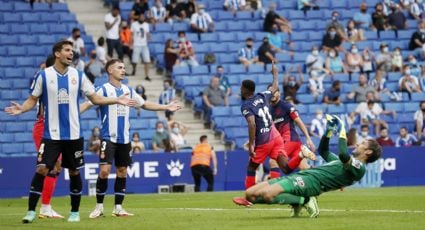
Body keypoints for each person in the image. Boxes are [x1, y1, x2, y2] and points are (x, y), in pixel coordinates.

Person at [5, 40, 136, 223]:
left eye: (72, 50)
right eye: (67, 50)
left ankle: (74, 212)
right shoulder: (43, 76)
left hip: (74, 135)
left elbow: (95, 98)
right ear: (57, 54)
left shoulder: (79, 75)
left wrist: (116, 100)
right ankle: (31, 211)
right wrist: (22, 109)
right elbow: (32, 100)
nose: (71, 53)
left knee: (74, 171)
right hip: (51, 134)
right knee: (42, 169)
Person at [79, 59, 182, 219]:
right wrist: (71, 114)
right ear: (110, 70)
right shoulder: (103, 89)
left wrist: (166, 107)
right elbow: (88, 103)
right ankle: (99, 207)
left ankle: (118, 208)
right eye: (119, 67)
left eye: (124, 67)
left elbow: (145, 104)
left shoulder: (129, 90)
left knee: (122, 171)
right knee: (104, 171)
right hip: (108, 137)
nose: (123, 70)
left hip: (125, 139)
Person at [233, 115, 382, 218]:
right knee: (249, 193)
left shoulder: (359, 168)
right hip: (303, 176)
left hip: (313, 183)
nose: (358, 144)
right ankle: (297, 201)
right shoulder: (339, 161)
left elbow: (344, 154)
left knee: (267, 194)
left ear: (368, 152)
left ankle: (304, 200)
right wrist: (329, 131)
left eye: (362, 144)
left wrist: (342, 129)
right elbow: (323, 150)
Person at [240, 63, 316, 189]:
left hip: (286, 139)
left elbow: (252, 124)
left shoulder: (283, 105)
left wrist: (252, 143)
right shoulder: (263, 97)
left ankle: (252, 195)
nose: (274, 94)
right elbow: (274, 86)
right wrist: (275, 72)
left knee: (255, 165)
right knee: (290, 168)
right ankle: (315, 173)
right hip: (278, 138)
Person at [29, 55, 63, 219]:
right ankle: (44, 207)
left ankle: (45, 207)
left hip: (54, 128)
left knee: (55, 167)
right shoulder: (45, 79)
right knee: (49, 166)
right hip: (44, 127)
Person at [268, 83, 316, 178]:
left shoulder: (286, 106)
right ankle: (328, 179)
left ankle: (273, 190)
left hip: (290, 139)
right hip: (293, 142)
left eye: (274, 91)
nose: (272, 94)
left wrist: (308, 138)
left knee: (273, 161)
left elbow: (299, 121)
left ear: (279, 93)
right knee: (304, 168)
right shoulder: (269, 110)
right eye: (270, 92)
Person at [130, 13, 151, 80]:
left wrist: (149, 38)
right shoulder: (134, 24)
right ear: (138, 17)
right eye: (141, 17)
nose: (142, 18)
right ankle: (134, 70)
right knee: (134, 60)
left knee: (147, 60)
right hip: (136, 44)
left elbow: (147, 33)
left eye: (143, 17)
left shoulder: (146, 25)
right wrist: (130, 43)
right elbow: (131, 34)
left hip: (144, 45)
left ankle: (146, 75)